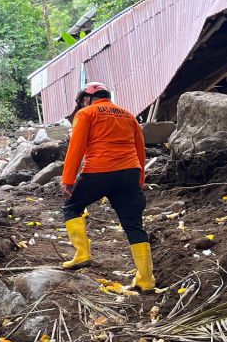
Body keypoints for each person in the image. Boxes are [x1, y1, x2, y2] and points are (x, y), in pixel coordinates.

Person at [59, 81, 155, 292]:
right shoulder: (128, 115)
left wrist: (68, 180)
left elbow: (76, 148)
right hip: (129, 173)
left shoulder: (86, 114)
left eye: (83, 100)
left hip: (99, 171)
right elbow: (140, 148)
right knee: (133, 225)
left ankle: (82, 254)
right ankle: (146, 280)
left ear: (87, 98)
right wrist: (140, 180)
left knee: (72, 207)